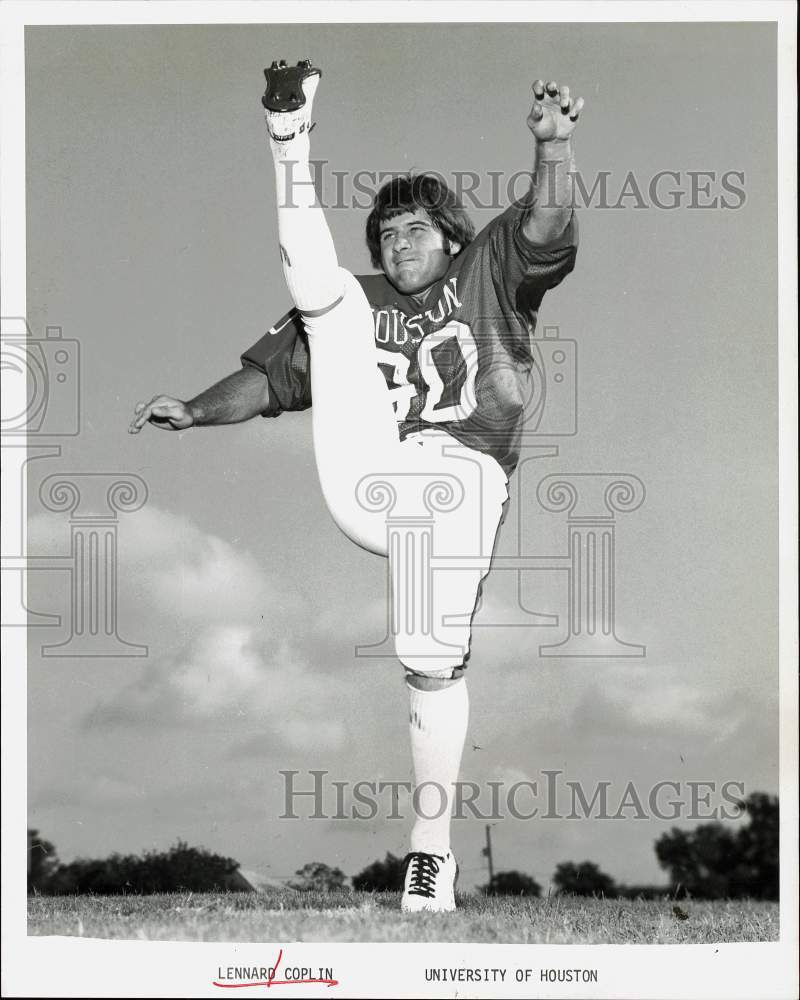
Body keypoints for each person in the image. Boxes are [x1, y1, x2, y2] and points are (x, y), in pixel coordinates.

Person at [130, 60, 582, 912]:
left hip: (461, 479)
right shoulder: (356, 296)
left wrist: (552, 146)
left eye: (415, 229)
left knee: (427, 662)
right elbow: (272, 381)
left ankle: (429, 853)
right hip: (371, 475)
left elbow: (547, 223)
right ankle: (288, 137)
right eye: (386, 233)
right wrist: (194, 409)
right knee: (325, 300)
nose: (397, 244)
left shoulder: (489, 271)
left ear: (452, 236)